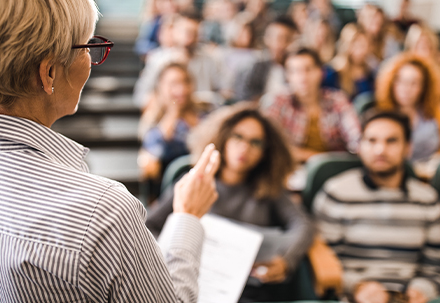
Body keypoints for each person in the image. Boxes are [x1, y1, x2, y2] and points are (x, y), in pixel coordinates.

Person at [0, 0, 222, 301]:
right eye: (85, 47)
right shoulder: (104, 212)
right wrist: (187, 217)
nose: (90, 57)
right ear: (48, 74)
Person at [146, 104, 314, 302]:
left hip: (245, 293)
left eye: (255, 142)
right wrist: (174, 247)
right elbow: (149, 226)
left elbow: (303, 226)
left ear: (266, 152)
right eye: (237, 136)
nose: (244, 147)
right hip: (189, 284)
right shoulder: (195, 182)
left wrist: (286, 261)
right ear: (223, 137)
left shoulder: (269, 190)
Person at [314, 111, 440, 303]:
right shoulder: (336, 193)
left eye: (391, 141)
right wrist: (357, 287)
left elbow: (435, 267)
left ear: (408, 148)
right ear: (360, 146)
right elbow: (324, 262)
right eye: (371, 141)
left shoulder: (427, 199)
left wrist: (422, 290)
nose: (380, 150)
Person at [266, 48, 361, 164]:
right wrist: (315, 157)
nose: (302, 77)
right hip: (291, 167)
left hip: (335, 167)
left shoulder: (337, 100)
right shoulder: (279, 101)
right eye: (295, 71)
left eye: (308, 69)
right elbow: (269, 142)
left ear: (321, 72)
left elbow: (355, 134)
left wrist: (360, 149)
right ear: (288, 76)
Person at [375, 53, 440, 162]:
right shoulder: (381, 117)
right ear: (392, 83)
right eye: (401, 81)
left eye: (414, 83)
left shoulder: (435, 114)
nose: (406, 89)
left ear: (424, 87)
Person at [133, 11, 227, 108]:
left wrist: (208, 99)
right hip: (167, 113)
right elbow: (141, 96)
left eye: (194, 33)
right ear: (174, 32)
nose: (189, 37)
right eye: (185, 31)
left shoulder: (211, 60)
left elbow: (225, 93)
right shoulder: (158, 59)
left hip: (202, 114)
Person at [138, 63, 207, 184]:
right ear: (160, 88)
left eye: (186, 82)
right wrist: (173, 113)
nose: (181, 89)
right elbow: (150, 163)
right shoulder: (153, 121)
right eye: (174, 84)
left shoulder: (205, 112)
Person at [238, 16, 297, 102]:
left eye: (287, 39)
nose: (280, 44)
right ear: (267, 39)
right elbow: (246, 97)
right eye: (277, 38)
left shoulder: (297, 67)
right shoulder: (256, 66)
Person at [326, 23, 375, 99]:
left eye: (365, 45)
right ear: (346, 45)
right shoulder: (333, 72)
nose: (362, 51)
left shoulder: (370, 71)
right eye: (357, 45)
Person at [358, 4, 402, 70]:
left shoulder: (389, 40)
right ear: (363, 19)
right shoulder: (357, 39)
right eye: (372, 18)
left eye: (378, 21)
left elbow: (395, 62)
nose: (376, 21)